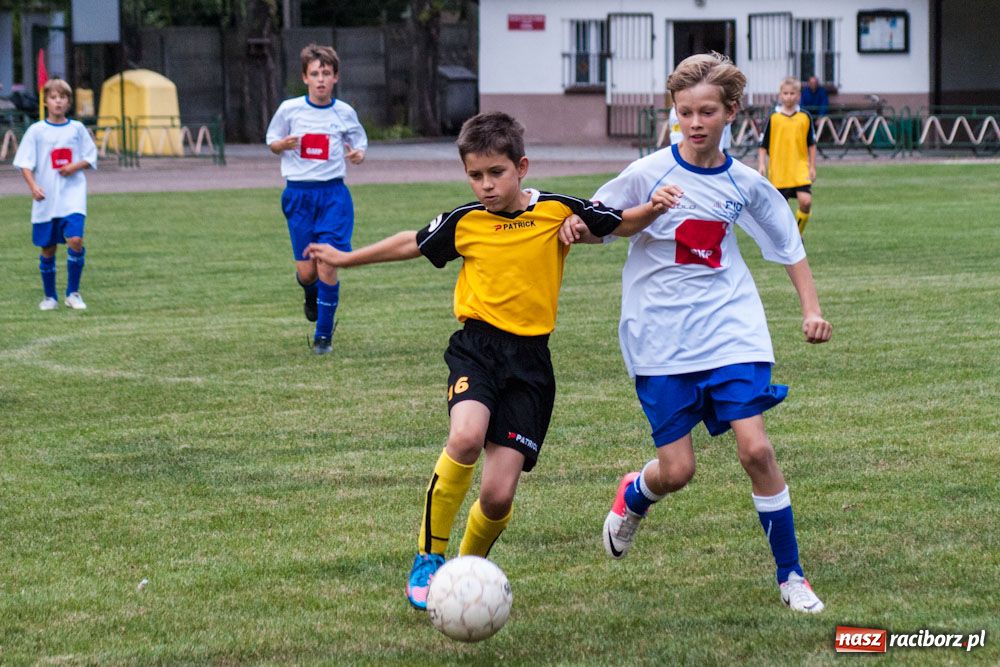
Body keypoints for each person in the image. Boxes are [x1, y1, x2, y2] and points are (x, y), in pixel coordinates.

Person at [305, 111, 681, 610]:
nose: (485, 185)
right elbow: (412, 242)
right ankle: (428, 557)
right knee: (464, 435)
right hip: (477, 349)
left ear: (521, 167)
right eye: (475, 175)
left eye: (495, 173)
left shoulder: (556, 211)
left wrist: (652, 209)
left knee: (498, 496)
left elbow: (617, 221)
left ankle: (465, 572)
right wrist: (345, 258)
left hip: (530, 364)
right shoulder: (466, 221)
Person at [560, 53, 832, 614]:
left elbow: (788, 245)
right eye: (685, 112)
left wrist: (811, 309)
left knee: (755, 448)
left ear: (731, 111)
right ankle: (635, 492)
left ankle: (792, 575)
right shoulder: (648, 172)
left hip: (730, 328)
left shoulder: (745, 184)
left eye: (707, 111)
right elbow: (595, 223)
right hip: (658, 336)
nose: (695, 122)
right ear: (675, 113)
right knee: (677, 471)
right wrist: (574, 225)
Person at [266, 43, 368, 354]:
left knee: (327, 263)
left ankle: (323, 336)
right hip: (298, 195)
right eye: (315, 73)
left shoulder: (344, 112)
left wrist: (358, 154)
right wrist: (282, 144)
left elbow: (358, 142)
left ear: (335, 77)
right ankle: (310, 293)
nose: (321, 79)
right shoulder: (289, 109)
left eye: (326, 73)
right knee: (307, 271)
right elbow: (271, 141)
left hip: (333, 195)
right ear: (305, 77)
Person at [13, 78, 98, 311]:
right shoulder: (36, 131)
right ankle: (50, 297)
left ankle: (73, 293)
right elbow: (24, 163)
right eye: (53, 97)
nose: (58, 102)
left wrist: (74, 166)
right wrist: (33, 187)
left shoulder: (77, 129)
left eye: (62, 97)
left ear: (68, 102)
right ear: (46, 102)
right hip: (47, 199)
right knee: (48, 248)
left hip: (73, 197)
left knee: (75, 240)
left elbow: (91, 158)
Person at [758, 77, 817, 235]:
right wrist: (762, 165)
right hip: (780, 170)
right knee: (779, 212)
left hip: (799, 168)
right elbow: (763, 146)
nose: (789, 96)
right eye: (785, 93)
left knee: (806, 201)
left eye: (792, 93)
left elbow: (811, 144)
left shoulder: (805, 117)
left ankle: (796, 236)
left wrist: (812, 167)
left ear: (798, 95)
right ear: (780, 95)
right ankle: (787, 239)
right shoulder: (773, 118)